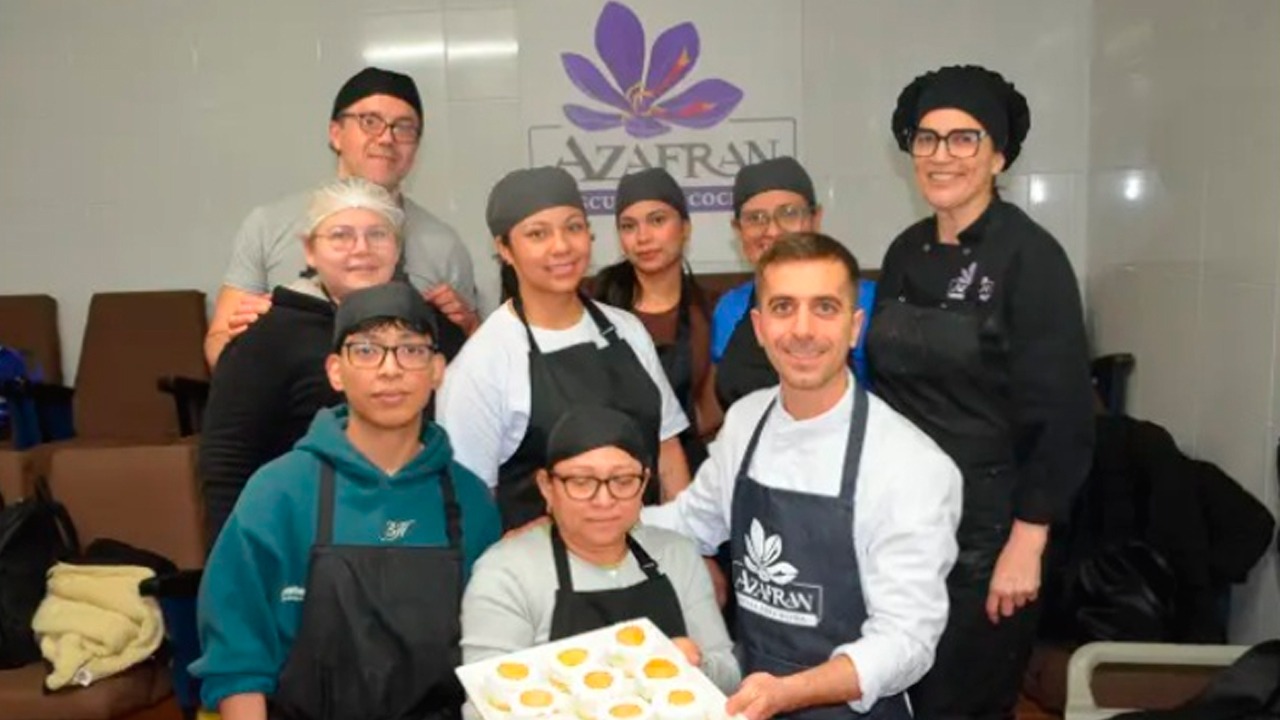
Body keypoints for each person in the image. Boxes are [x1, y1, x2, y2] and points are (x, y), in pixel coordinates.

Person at [643, 232, 962, 720]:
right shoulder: (746, 421)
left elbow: (907, 641)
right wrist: (593, 522)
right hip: (753, 696)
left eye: (825, 308)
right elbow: (694, 521)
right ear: (759, 325)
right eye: (784, 307)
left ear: (855, 327)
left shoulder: (911, 464)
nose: (803, 329)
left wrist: (789, 692)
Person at [867, 64, 1095, 720]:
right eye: (928, 139)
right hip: (904, 519)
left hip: (989, 527)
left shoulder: (1032, 258)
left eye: (964, 139)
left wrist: (1026, 543)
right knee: (899, 692)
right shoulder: (905, 251)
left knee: (962, 701)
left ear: (998, 154)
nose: (943, 156)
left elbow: (1065, 416)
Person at [192, 282, 502, 720]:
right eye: (367, 350)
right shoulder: (279, 491)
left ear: (437, 370)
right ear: (335, 371)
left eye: (411, 351)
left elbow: (490, 654)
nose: (390, 369)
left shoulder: (469, 500)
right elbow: (236, 656)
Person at [437, 166, 691, 533]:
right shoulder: (482, 364)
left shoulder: (626, 330)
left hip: (643, 558)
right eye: (537, 234)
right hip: (545, 577)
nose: (561, 246)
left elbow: (667, 453)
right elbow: (471, 504)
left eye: (573, 227)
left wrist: (690, 548)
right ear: (504, 248)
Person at [204, 66, 478, 368]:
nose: (387, 138)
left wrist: (468, 328)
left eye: (404, 127)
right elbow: (218, 346)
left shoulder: (444, 244)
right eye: (370, 121)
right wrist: (244, 339)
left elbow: (474, 367)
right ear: (336, 134)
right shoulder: (268, 225)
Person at [460, 404, 740, 695]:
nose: (604, 500)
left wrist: (694, 665)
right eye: (581, 482)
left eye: (622, 481)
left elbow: (730, 678)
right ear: (547, 486)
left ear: (644, 483)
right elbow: (487, 698)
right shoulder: (506, 573)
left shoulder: (677, 555)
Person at [199, 176, 404, 545]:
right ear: (309, 250)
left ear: (397, 247)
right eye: (341, 235)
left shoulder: (431, 331)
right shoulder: (265, 336)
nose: (362, 249)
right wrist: (236, 561)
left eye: (378, 234)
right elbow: (228, 461)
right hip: (300, 542)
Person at [711, 157, 876, 410]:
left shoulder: (866, 299)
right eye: (755, 218)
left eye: (789, 213)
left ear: (815, 218)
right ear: (738, 229)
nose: (773, 231)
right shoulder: (729, 308)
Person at [593, 168, 721, 472]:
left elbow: (714, 412)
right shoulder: (595, 305)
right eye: (628, 226)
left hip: (689, 471)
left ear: (685, 227)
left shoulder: (709, 311)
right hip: (607, 470)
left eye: (657, 220)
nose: (643, 237)